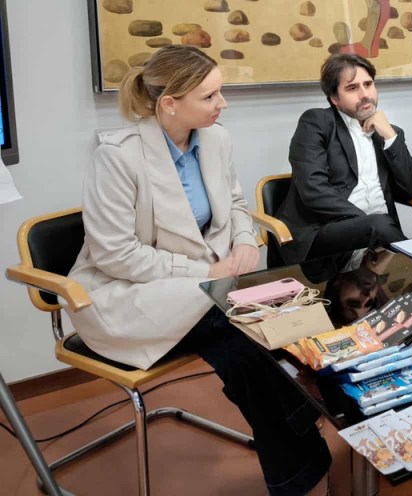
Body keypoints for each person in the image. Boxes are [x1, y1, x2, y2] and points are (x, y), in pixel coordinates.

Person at [67, 46, 332, 496]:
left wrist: (246, 241)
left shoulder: (215, 139)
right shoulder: (117, 157)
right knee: (237, 331)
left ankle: (296, 451)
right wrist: (209, 268)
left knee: (280, 317)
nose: (222, 104)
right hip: (126, 293)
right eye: (210, 96)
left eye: (220, 92)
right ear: (170, 102)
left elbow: (234, 204)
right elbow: (116, 255)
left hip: (204, 286)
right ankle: (304, 418)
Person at [277, 53, 412, 275]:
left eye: (368, 84)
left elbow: (411, 188)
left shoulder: (387, 132)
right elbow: (312, 188)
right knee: (380, 226)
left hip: (380, 236)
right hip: (325, 231)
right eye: (352, 88)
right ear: (334, 98)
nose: (365, 95)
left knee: (380, 227)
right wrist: (365, 222)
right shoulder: (316, 122)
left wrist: (391, 137)